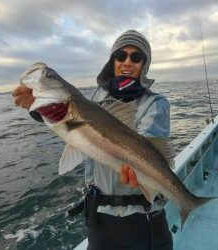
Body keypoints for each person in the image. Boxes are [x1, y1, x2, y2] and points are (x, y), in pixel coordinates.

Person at [13, 30, 173, 250]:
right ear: (112, 61)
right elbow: (80, 130)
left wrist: (141, 172)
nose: (127, 62)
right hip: (100, 219)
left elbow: (147, 147)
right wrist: (44, 112)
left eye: (136, 57)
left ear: (144, 65)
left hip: (143, 220)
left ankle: (187, 204)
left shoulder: (155, 103)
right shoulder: (98, 99)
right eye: (120, 56)